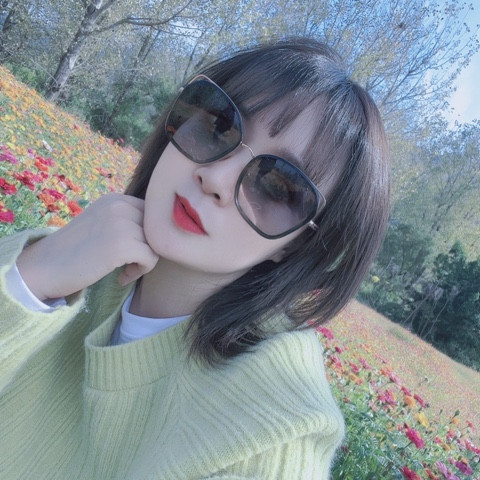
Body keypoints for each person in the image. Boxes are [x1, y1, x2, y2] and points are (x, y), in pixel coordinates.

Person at [0, 37, 390, 479]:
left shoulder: (271, 434)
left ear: (298, 244)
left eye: (277, 186)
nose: (216, 178)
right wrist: (32, 278)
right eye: (220, 124)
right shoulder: (78, 256)